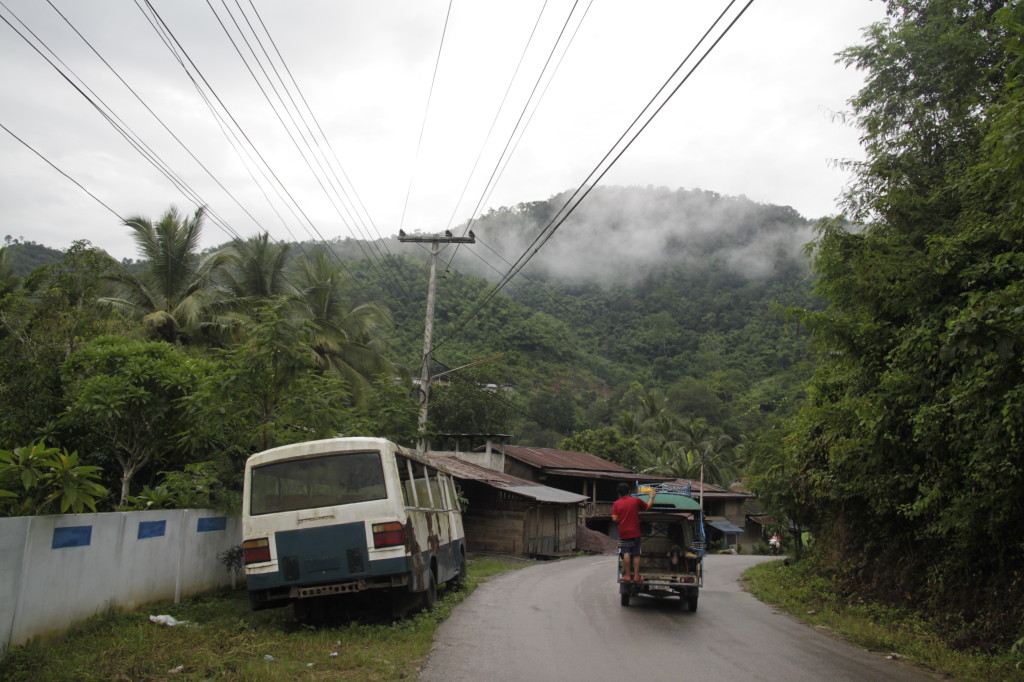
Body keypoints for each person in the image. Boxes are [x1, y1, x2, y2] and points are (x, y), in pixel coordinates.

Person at [611, 482, 656, 581]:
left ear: (619, 493)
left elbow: (614, 519)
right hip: (635, 532)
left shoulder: (616, 504)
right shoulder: (636, 501)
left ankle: (627, 575)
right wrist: (651, 497)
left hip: (624, 532)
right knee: (636, 554)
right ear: (629, 491)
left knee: (626, 552)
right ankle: (636, 576)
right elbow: (647, 507)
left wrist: (622, 520)